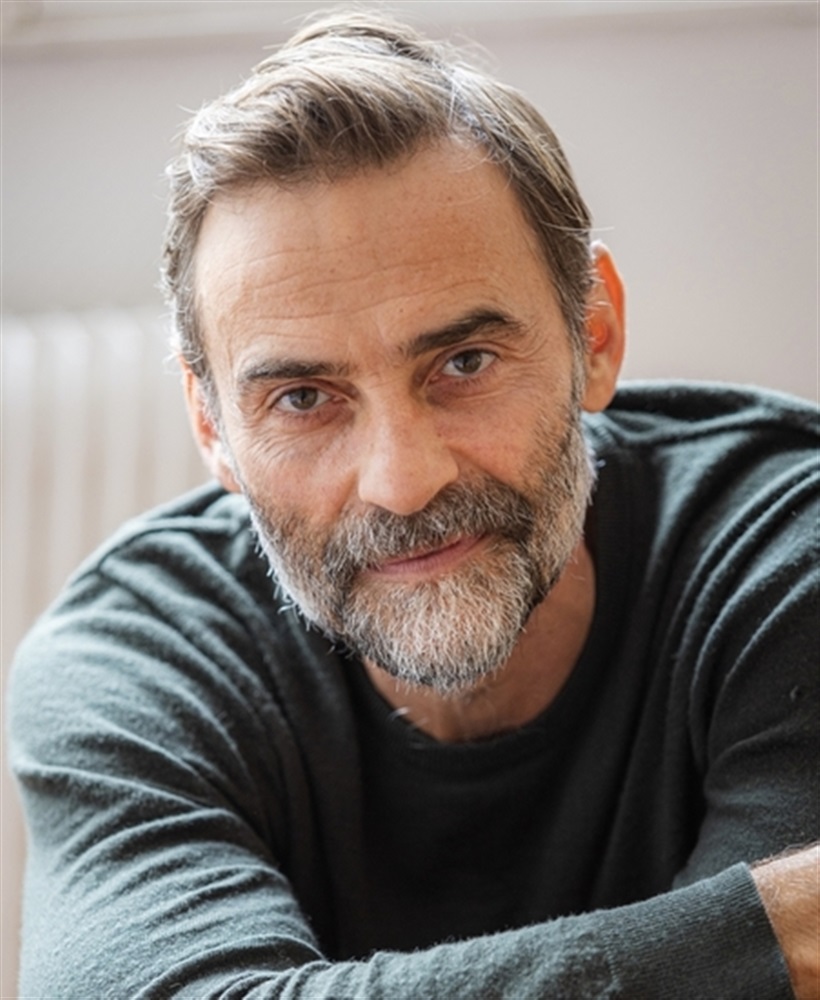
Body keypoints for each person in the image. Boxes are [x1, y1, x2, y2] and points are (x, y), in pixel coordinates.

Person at [8, 11, 818, 998]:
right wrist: (766, 936)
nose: (402, 480)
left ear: (595, 334)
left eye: (464, 362)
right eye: (303, 398)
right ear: (210, 423)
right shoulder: (136, 662)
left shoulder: (787, 558)